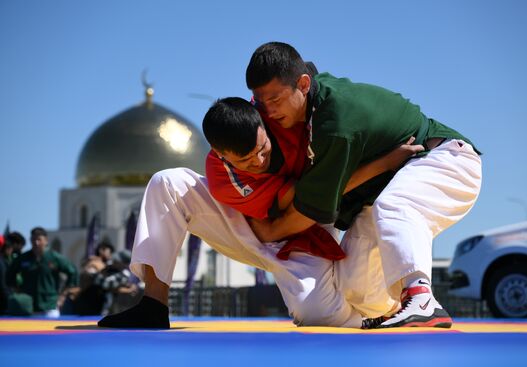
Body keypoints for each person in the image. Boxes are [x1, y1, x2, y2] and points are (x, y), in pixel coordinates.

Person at [97, 98, 423, 329]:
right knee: (168, 181)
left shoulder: (281, 120)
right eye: (246, 161)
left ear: (261, 125)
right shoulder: (222, 176)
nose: (259, 162)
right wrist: (384, 162)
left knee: (316, 314)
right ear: (221, 156)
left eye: (261, 149)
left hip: (306, 232)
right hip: (261, 226)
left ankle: (376, 317)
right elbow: (276, 225)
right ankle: (154, 304)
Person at [244, 42, 482, 328]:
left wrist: (269, 231)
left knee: (395, 205)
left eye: (276, 99)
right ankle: (392, 311)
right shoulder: (312, 106)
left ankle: (421, 297)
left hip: (443, 159)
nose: (268, 111)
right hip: (387, 186)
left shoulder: (334, 124)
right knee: (355, 285)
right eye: (261, 101)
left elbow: (309, 210)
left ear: (304, 84)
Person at [6, 227, 78, 317]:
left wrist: (63, 296)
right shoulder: (23, 258)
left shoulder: (54, 257)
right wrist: (17, 292)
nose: (36, 243)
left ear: (46, 241)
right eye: (33, 240)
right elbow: (9, 275)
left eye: (39, 240)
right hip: (29, 308)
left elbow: (73, 272)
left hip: (50, 307)